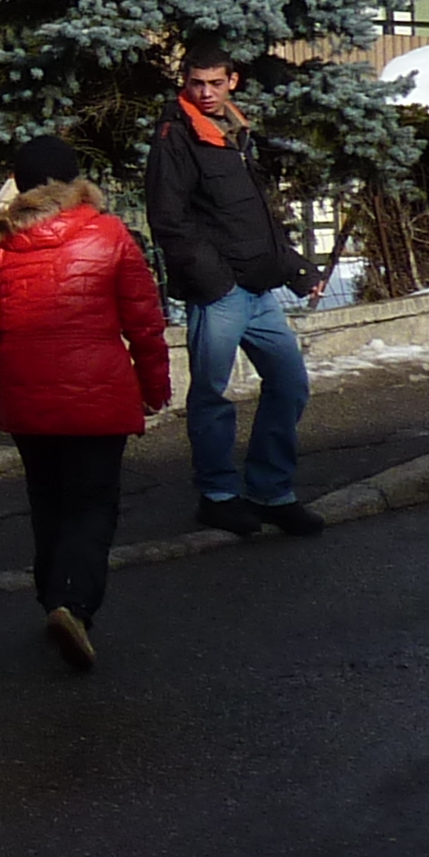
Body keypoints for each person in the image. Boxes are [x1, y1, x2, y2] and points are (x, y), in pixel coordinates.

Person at [0, 135, 171, 673]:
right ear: (74, 180)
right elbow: (144, 320)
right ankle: (73, 603)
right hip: (98, 390)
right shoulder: (109, 233)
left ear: (21, 182)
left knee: (47, 499)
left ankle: (52, 594)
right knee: (93, 502)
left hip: (26, 394)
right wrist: (155, 385)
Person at [143, 45, 321, 540]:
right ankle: (218, 496)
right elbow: (169, 221)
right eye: (196, 83)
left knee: (289, 385)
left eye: (215, 83)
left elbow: (254, 216)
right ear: (185, 82)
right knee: (213, 394)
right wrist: (214, 281)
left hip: (260, 290)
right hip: (219, 292)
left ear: (232, 82)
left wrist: (294, 268)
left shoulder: (234, 130)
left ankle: (272, 492)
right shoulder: (174, 137)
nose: (205, 93)